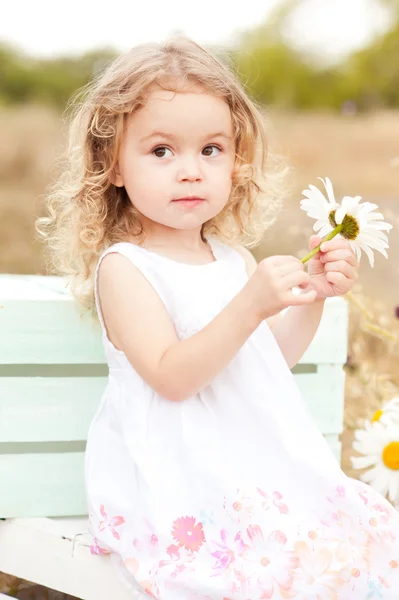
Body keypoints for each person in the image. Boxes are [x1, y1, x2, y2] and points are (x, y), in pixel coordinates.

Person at [36, 36, 399, 600]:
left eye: (211, 150)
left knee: (358, 549)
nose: (190, 171)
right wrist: (250, 303)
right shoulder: (126, 268)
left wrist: (315, 296)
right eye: (162, 151)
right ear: (113, 166)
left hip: (251, 470)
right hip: (179, 484)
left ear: (236, 161)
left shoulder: (233, 261)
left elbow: (268, 360)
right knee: (272, 568)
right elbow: (173, 377)